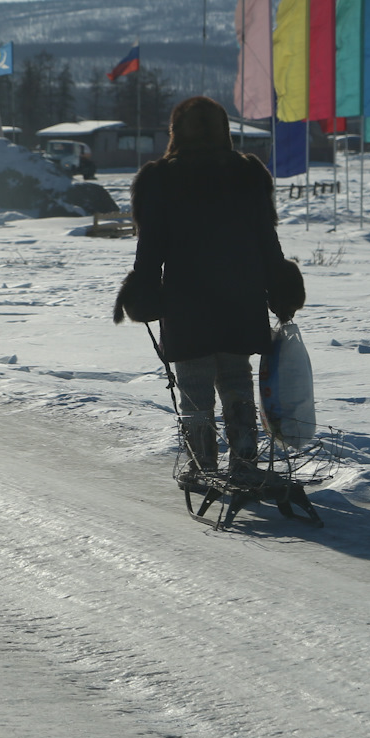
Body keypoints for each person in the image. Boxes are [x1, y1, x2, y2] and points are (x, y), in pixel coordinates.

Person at [114, 97, 303, 480]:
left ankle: (201, 463)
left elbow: (150, 249)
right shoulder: (248, 172)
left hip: (187, 300)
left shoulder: (160, 178)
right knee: (235, 375)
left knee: (193, 382)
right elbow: (268, 240)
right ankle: (244, 455)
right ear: (224, 132)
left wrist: (142, 290)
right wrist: (279, 286)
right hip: (241, 297)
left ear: (175, 133)